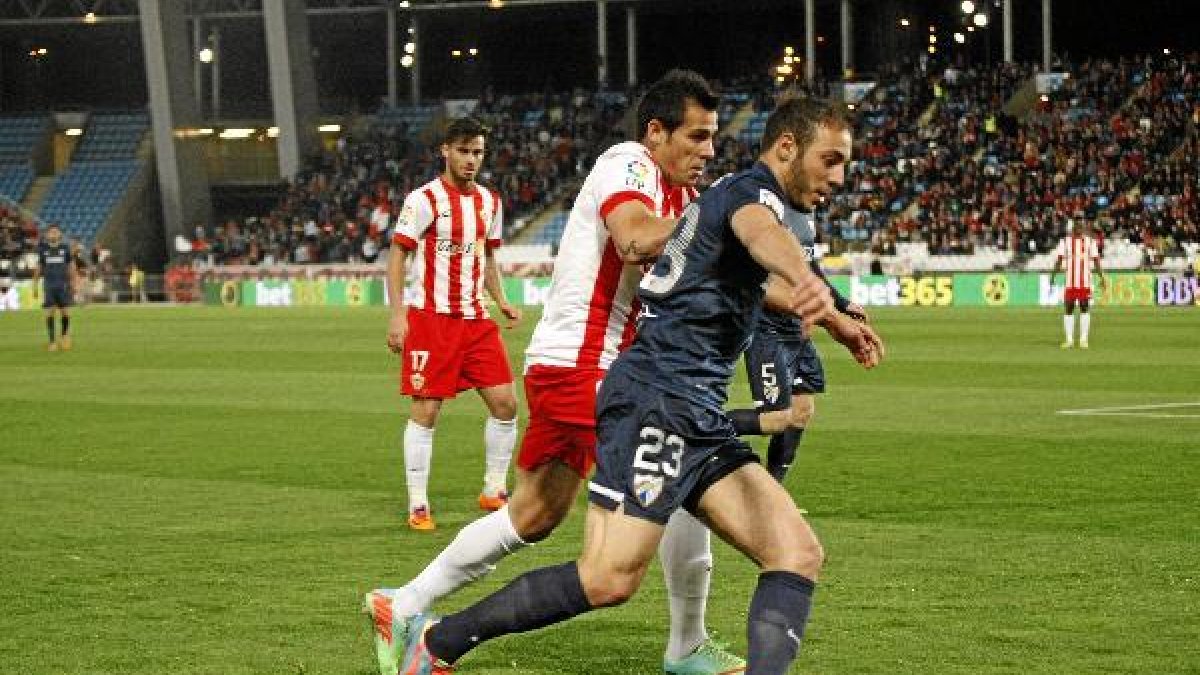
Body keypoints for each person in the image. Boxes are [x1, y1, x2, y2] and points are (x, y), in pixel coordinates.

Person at [385, 96, 884, 675]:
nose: (839, 177)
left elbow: (752, 263)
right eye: (831, 160)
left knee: (796, 553)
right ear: (788, 148)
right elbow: (760, 235)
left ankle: (689, 646)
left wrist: (837, 317)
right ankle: (439, 641)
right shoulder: (748, 195)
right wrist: (804, 278)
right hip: (655, 401)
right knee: (607, 577)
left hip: (696, 411)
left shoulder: (716, 201)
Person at [365, 69, 744, 675]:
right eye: (697, 137)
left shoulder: (683, 199)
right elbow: (633, 239)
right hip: (589, 365)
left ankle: (401, 603)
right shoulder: (629, 162)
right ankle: (687, 646)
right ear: (656, 131)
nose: (708, 151)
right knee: (680, 479)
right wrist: (720, 213)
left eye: (712, 138)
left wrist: (820, 305)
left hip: (583, 366)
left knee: (534, 514)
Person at [385, 117, 522, 530]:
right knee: (427, 409)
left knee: (506, 404)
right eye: (463, 151)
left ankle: (494, 489)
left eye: (477, 152)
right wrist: (397, 314)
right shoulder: (424, 199)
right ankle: (418, 504)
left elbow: (489, 257)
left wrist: (501, 300)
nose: (471, 160)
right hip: (431, 319)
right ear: (445, 151)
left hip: (476, 320)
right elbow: (397, 255)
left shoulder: (490, 202)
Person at [726, 207, 870, 483]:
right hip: (766, 328)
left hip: (797, 326)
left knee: (801, 411)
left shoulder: (805, 214)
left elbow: (808, 265)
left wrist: (841, 302)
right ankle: (696, 429)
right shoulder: (766, 206)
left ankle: (774, 489)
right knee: (776, 418)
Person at [1049, 218, 1106, 349]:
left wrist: (1102, 277)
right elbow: (1059, 260)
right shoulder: (1065, 241)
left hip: (1085, 281)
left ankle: (1083, 340)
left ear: (1084, 226)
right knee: (1068, 308)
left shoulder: (1090, 241)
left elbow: (1096, 261)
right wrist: (1053, 275)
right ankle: (1069, 340)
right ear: (1074, 226)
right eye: (1077, 224)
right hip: (1070, 281)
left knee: (1084, 307)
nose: (1079, 226)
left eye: (1081, 224)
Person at [31, 224, 78, 352]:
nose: (53, 234)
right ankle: (52, 342)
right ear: (47, 235)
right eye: (51, 232)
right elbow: (39, 268)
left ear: (60, 235)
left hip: (63, 285)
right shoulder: (43, 250)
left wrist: (74, 283)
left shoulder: (65, 249)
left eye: (55, 232)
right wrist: (34, 285)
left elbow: (71, 267)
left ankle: (64, 335)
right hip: (49, 285)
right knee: (49, 313)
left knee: (66, 313)